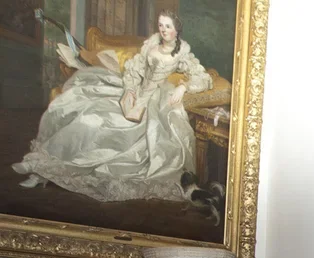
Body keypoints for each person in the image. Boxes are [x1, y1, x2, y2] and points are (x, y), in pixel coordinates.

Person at [13, 10, 212, 203]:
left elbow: (203, 78)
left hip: (157, 98)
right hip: (132, 90)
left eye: (167, 26)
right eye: (160, 25)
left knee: (131, 130)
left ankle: (54, 171)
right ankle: (41, 170)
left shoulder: (182, 53)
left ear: (177, 30)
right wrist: (131, 90)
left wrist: (183, 87)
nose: (163, 30)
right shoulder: (151, 45)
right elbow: (135, 70)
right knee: (90, 114)